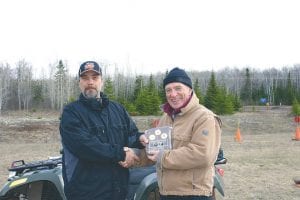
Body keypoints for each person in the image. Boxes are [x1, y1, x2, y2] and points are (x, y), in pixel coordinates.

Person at [59, 61, 147, 200]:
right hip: (86, 193)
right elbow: (84, 146)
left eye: (95, 77)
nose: (90, 82)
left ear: (102, 81)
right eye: (85, 78)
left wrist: (140, 139)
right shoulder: (71, 113)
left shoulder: (117, 109)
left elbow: (130, 135)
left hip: (118, 191)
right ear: (79, 82)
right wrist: (120, 154)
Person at [146, 67, 222, 200]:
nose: (173, 94)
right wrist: (133, 155)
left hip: (193, 194)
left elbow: (202, 154)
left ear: (190, 90)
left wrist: (162, 157)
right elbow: (156, 150)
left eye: (178, 88)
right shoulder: (166, 117)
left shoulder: (204, 117)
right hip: (167, 193)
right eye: (168, 90)